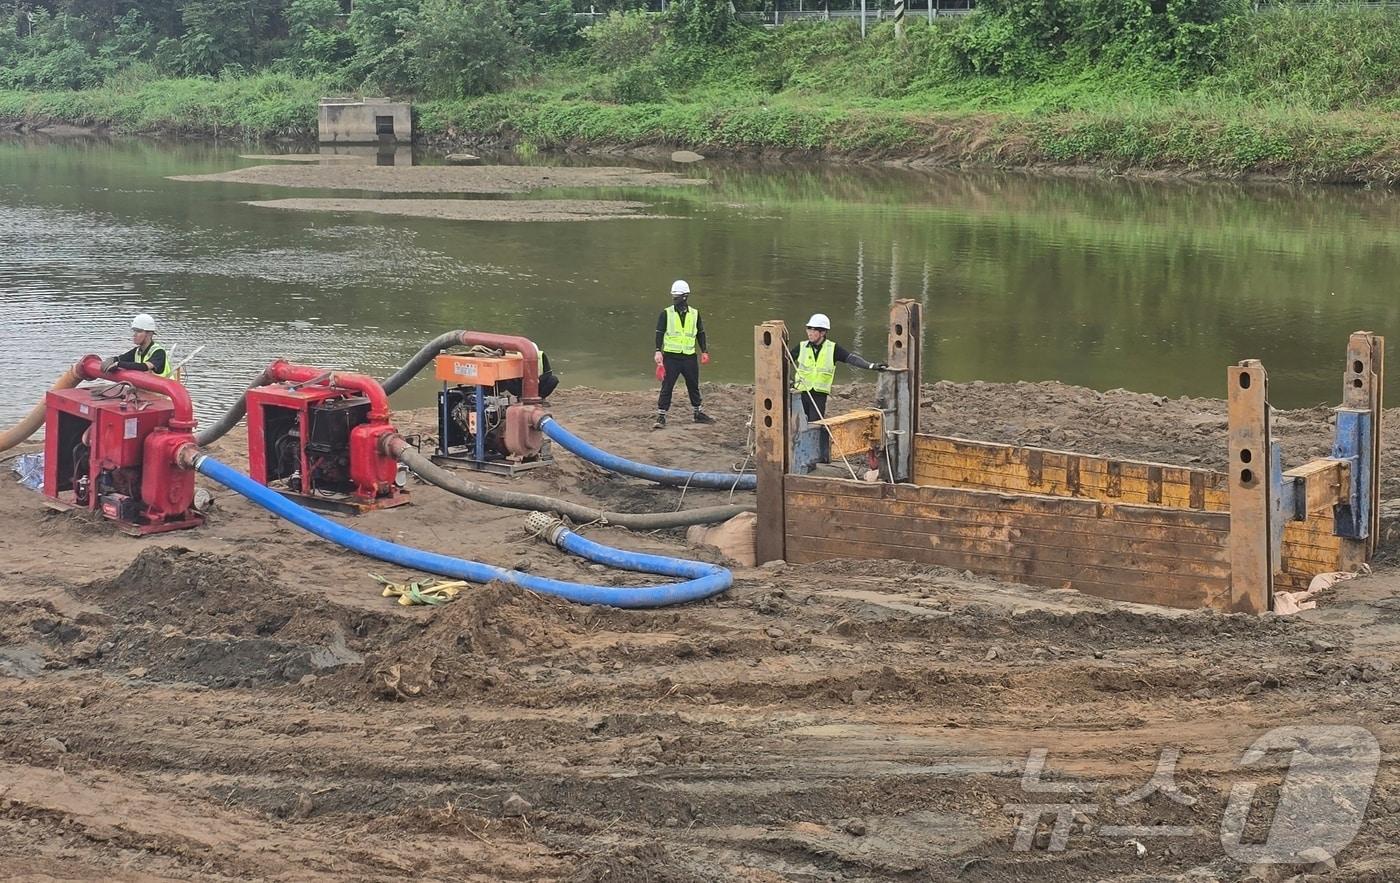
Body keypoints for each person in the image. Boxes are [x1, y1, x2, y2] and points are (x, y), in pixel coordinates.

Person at [791, 313, 887, 422]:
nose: (809, 333)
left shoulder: (832, 348)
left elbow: (852, 359)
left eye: (813, 330)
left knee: (815, 424)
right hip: (800, 394)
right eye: (808, 329)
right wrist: (789, 380)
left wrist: (871, 366)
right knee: (798, 424)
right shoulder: (802, 347)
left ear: (823, 332)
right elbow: (784, 360)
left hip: (819, 395)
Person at [652, 280, 714, 429]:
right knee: (667, 386)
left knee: (693, 385)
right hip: (671, 357)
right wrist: (658, 351)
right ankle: (661, 416)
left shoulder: (694, 314)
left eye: (677, 297)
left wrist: (704, 350)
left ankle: (698, 412)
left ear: (685, 296)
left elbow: (700, 333)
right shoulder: (666, 313)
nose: (675, 299)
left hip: (689, 357)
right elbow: (659, 333)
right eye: (674, 297)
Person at [101, 313, 172, 378]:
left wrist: (118, 364)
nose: (134, 334)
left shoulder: (159, 352)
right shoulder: (137, 351)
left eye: (138, 331)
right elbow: (121, 358)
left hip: (165, 391)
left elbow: (145, 367)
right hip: (148, 389)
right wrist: (112, 360)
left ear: (149, 334)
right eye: (134, 331)